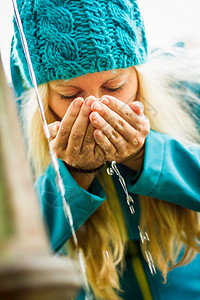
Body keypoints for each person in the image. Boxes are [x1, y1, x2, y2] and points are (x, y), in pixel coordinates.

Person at [11, 0, 200, 299]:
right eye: (70, 94)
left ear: (138, 76)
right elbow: (14, 254)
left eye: (114, 88)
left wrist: (146, 156)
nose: (96, 108)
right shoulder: (11, 139)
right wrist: (71, 175)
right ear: (43, 99)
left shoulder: (189, 96)